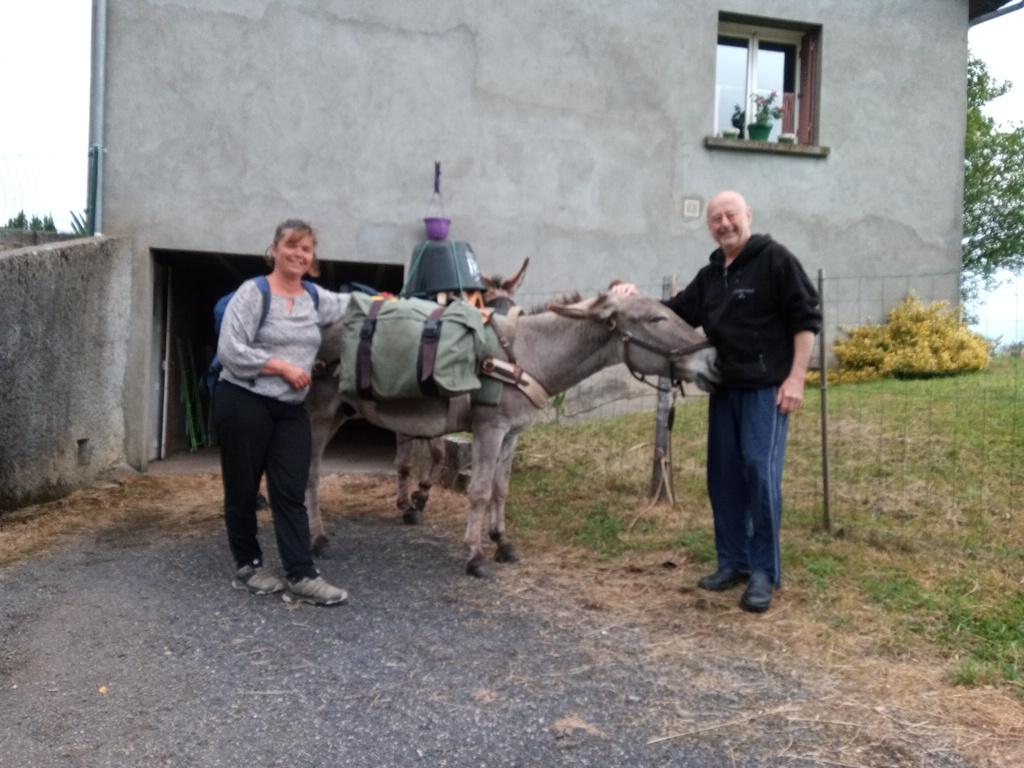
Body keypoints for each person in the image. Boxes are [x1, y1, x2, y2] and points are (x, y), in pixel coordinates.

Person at [613, 190, 821, 612]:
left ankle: (763, 571)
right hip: (724, 389)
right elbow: (674, 314)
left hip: (767, 389)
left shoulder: (775, 259)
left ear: (749, 215)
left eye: (731, 216)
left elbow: (806, 319)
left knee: (758, 474)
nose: (724, 224)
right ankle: (733, 562)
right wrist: (629, 297)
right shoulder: (711, 275)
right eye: (716, 220)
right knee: (723, 478)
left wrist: (796, 379)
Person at [213, 219, 351, 606]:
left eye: (306, 248)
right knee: (242, 486)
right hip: (244, 399)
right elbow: (231, 350)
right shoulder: (253, 293)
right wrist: (283, 367)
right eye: (291, 245)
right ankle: (249, 565)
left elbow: (355, 304)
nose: (298, 254)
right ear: (274, 250)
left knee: (290, 490)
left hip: (290, 407)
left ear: (312, 258)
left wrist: (397, 303)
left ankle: (302, 574)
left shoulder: (315, 298)